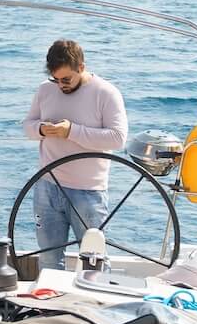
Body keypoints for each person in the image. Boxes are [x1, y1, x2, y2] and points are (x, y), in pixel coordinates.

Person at [20, 39, 128, 270]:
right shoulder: (45, 89)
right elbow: (28, 126)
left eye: (66, 79)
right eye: (55, 79)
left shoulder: (106, 93)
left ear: (81, 67)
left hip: (88, 193)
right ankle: (49, 306)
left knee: (93, 262)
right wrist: (41, 129)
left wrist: (71, 131)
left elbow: (117, 138)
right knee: (48, 260)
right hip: (47, 187)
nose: (60, 85)